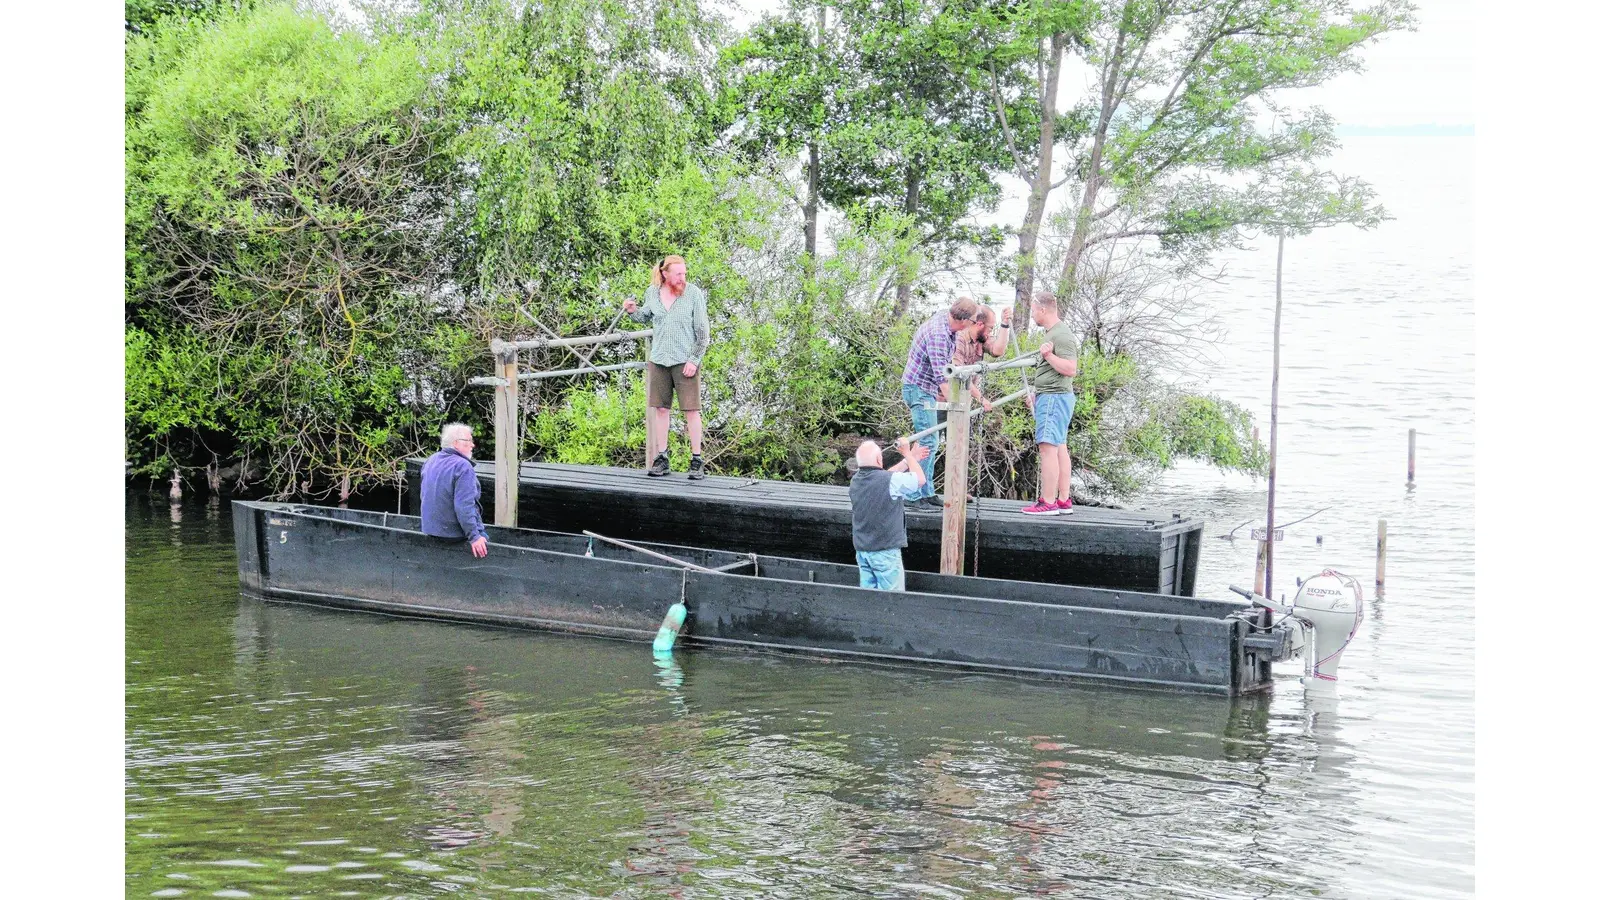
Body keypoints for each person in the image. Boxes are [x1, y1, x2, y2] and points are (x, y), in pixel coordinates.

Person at [624, 255, 711, 479]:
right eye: (678, 274)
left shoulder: (693, 294)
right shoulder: (652, 292)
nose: (683, 277)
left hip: (685, 360)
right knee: (661, 409)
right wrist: (632, 311)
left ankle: (697, 460)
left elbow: (703, 332)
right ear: (665, 274)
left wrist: (694, 359)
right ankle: (662, 458)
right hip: (659, 358)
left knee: (691, 410)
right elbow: (645, 317)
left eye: (684, 273)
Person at [900, 296, 979, 511]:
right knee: (928, 442)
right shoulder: (938, 335)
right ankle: (915, 494)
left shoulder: (947, 323)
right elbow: (941, 377)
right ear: (964, 320)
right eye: (973, 321)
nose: (973, 325)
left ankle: (927, 492)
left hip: (925, 389)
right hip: (918, 389)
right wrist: (958, 405)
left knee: (930, 441)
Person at [1021, 292, 1080, 515]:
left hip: (1055, 397)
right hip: (1052, 395)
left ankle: (1048, 502)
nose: (1033, 315)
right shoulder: (1053, 333)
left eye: (1034, 310)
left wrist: (1049, 356)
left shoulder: (1061, 335)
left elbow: (1070, 369)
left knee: (1047, 447)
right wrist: (1038, 392)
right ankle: (1063, 500)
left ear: (1043, 310)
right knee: (1059, 446)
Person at [848, 438, 929, 590]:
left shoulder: (856, 481)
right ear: (879, 459)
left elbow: (887, 476)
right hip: (884, 552)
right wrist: (908, 455)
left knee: (868, 599)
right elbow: (919, 480)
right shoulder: (887, 480)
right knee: (892, 601)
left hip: (863, 552)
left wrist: (908, 460)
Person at [420, 422, 490, 557]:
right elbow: (464, 506)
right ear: (456, 443)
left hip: (431, 530)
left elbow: (424, 496)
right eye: (469, 440)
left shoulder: (430, 461)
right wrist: (475, 537)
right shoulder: (463, 466)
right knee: (485, 539)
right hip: (454, 534)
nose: (472, 445)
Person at [949, 303, 1013, 411]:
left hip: (964, 399)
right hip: (946, 398)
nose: (990, 333)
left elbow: (997, 351)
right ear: (979, 324)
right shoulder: (960, 338)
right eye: (990, 328)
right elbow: (959, 373)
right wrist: (981, 398)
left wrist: (1004, 324)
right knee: (941, 427)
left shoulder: (981, 337)